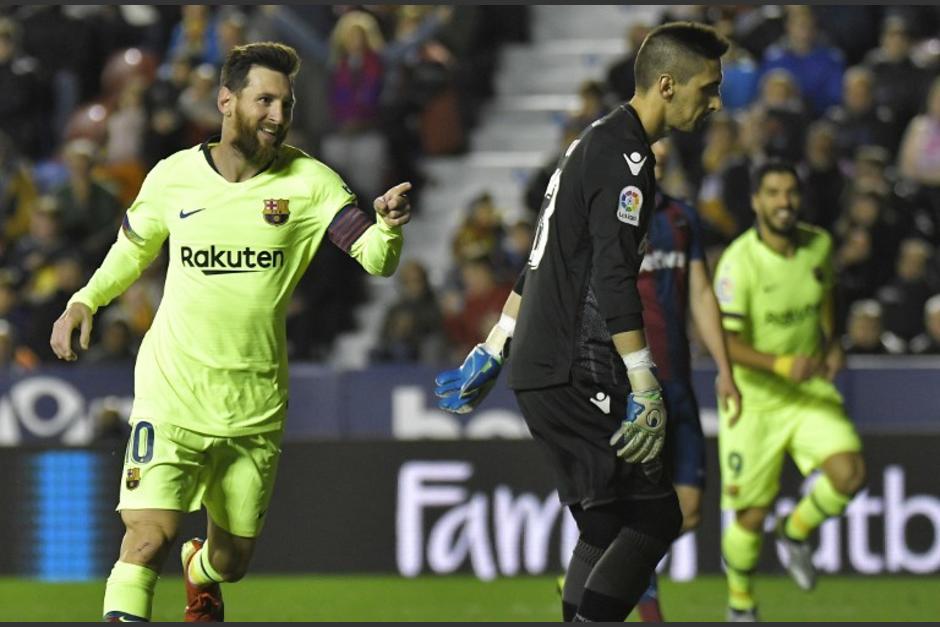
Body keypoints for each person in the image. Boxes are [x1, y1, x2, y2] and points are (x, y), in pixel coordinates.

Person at [49, 42, 412, 622]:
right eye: (264, 100)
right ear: (226, 101)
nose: (277, 114)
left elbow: (373, 256)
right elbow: (133, 249)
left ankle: (203, 572)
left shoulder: (310, 182)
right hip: (173, 392)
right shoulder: (173, 177)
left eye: (286, 103)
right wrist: (85, 300)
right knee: (145, 539)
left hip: (254, 404)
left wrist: (388, 228)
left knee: (232, 559)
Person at [435, 22, 730, 622]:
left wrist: (495, 345)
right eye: (709, 86)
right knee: (656, 517)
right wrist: (644, 381)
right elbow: (614, 277)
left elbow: (544, 256)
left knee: (604, 520)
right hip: (577, 364)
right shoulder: (626, 159)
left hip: (541, 366)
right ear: (667, 85)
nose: (716, 101)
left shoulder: (589, 144)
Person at [713, 160, 866, 621]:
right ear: (757, 202)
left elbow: (826, 298)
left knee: (850, 475)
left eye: (790, 193)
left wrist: (833, 343)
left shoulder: (818, 245)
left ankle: (795, 532)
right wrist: (781, 364)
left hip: (806, 393)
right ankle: (741, 606)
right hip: (754, 400)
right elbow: (726, 342)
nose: (784, 202)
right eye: (774, 193)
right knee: (749, 519)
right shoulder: (738, 264)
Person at [630, 140, 741, 622]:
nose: (654, 164)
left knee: (689, 510)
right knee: (647, 507)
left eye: (660, 158)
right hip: (630, 388)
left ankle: (603, 563)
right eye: (646, 156)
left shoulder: (680, 218)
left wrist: (725, 367)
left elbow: (700, 292)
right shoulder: (609, 221)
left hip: (679, 382)